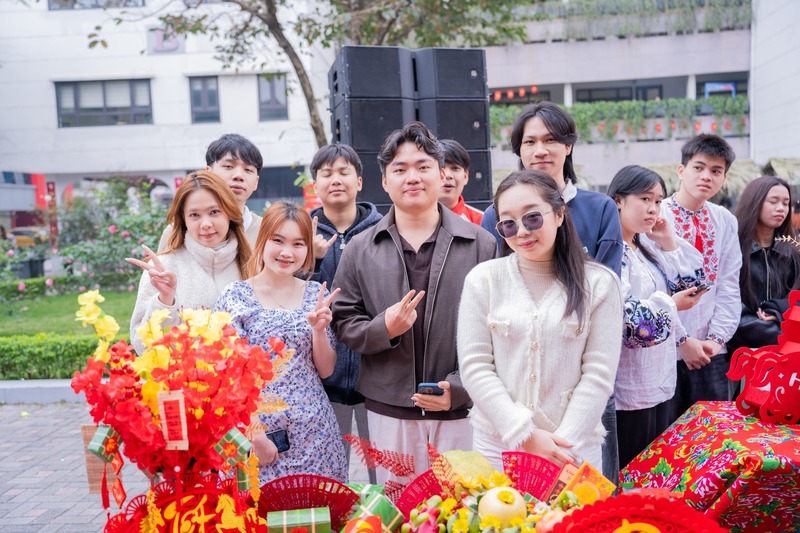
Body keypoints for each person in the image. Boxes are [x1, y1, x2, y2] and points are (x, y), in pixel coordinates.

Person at [331, 121, 497, 484]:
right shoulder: (360, 248)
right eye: (400, 169)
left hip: (461, 412)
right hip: (389, 408)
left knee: (462, 506)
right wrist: (384, 329)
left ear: (441, 175)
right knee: (398, 506)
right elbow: (342, 321)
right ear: (384, 181)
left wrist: (460, 389)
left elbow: (497, 330)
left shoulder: (482, 244)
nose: (413, 177)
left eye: (423, 167)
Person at [480, 101, 624, 483]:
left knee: (589, 493)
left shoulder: (600, 208)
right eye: (529, 142)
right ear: (519, 150)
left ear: (568, 146)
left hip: (583, 385)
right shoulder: (495, 215)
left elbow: (605, 296)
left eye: (551, 140)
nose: (540, 150)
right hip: (516, 390)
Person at [458, 170, 622, 472]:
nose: (521, 231)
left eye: (532, 218)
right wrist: (526, 435)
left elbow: (599, 374)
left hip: (573, 450)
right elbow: (475, 367)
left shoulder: (600, 283)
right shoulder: (483, 280)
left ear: (559, 214)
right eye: (508, 224)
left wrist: (561, 446)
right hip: (498, 447)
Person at [214, 201, 348, 483]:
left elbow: (326, 370)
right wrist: (254, 433)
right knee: (253, 507)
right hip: (255, 432)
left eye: (298, 244)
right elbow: (228, 375)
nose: (287, 252)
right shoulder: (235, 296)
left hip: (313, 432)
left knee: (317, 507)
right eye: (278, 240)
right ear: (263, 240)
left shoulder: (316, 294)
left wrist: (319, 331)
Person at [607, 165, 705, 467]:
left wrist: (668, 241)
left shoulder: (645, 247)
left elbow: (694, 286)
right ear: (618, 200)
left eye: (658, 201)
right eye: (645, 199)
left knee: (654, 469)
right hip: (630, 386)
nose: (653, 208)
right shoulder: (613, 252)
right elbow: (630, 325)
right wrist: (671, 305)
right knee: (633, 470)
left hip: (659, 379)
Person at [308, 143, 382, 483]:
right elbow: (289, 295)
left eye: (343, 172)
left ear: (359, 181)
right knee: (331, 480)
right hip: (323, 383)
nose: (335, 180)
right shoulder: (301, 233)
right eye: (327, 174)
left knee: (384, 476)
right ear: (315, 185)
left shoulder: (382, 230)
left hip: (376, 378)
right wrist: (312, 262)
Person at [660, 134, 742, 423]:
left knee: (712, 434)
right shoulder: (657, 214)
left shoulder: (725, 220)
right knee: (663, 438)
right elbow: (653, 287)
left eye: (716, 171)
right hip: (663, 349)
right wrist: (682, 340)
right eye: (699, 167)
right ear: (681, 170)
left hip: (710, 352)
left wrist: (716, 340)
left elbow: (729, 283)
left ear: (724, 178)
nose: (706, 176)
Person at [128, 170, 252, 354]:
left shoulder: (253, 265)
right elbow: (142, 347)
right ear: (183, 219)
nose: (206, 224)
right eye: (194, 215)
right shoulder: (162, 269)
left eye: (214, 212)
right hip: (180, 373)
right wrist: (165, 301)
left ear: (230, 212)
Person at [727, 176, 800, 396]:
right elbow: (731, 311)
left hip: (786, 363)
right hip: (740, 358)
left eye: (786, 203)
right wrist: (783, 335)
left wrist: (778, 312)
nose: (781, 209)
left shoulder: (793, 253)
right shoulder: (733, 248)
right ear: (755, 202)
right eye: (773, 201)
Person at [158, 133, 264, 251]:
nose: (238, 175)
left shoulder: (267, 231)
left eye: (248, 170)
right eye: (228, 166)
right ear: (209, 172)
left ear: (256, 182)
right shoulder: (176, 233)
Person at [438, 139, 483, 224]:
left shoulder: (482, 222)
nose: (448, 175)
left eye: (455, 168)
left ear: (465, 176)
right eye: (441, 168)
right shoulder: (412, 219)